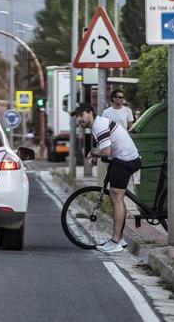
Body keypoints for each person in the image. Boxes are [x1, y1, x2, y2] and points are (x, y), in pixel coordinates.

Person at [71, 102, 141, 253]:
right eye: (77, 117)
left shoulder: (99, 126)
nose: (79, 119)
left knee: (116, 197)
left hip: (126, 160)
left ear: (90, 112)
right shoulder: (99, 124)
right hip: (121, 159)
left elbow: (106, 151)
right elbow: (107, 151)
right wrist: (99, 153)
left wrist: (93, 153)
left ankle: (116, 241)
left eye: (81, 115)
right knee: (116, 197)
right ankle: (118, 239)